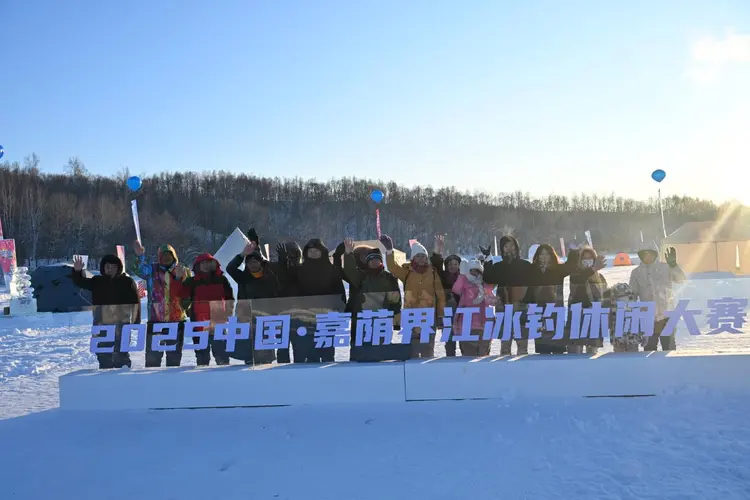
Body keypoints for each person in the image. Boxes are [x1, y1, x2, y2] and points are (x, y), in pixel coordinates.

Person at [382, 234, 446, 358]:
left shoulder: (432, 273)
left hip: (428, 316)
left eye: (423, 256)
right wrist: (389, 252)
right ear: (413, 258)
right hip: (411, 315)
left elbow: (440, 295)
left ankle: (426, 369)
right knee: (412, 349)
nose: (421, 259)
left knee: (428, 349)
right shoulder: (407, 272)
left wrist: (440, 315)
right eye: (418, 256)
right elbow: (392, 267)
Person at [71, 254, 140, 369]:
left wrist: (136, 320)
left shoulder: (127, 281)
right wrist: (77, 271)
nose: (110, 269)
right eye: (107, 267)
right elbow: (81, 282)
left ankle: (123, 373)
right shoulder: (97, 281)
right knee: (103, 351)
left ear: (118, 267)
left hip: (121, 323)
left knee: (121, 351)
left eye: (113, 267)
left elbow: (135, 301)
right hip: (102, 323)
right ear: (103, 268)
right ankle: (105, 372)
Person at [130, 241, 190, 367]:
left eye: (169, 255)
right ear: (159, 257)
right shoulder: (152, 270)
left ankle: (173, 379)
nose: (166, 257)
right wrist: (140, 256)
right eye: (163, 255)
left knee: (174, 359)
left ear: (174, 256)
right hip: (155, 320)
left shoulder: (183, 270)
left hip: (177, 320)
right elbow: (137, 269)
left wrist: (180, 278)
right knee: (152, 359)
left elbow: (187, 294)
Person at [342, 238, 403, 359]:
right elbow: (349, 271)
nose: (375, 262)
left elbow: (395, 301)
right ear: (367, 262)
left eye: (377, 260)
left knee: (380, 351)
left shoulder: (389, 278)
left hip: (381, 321)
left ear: (381, 262)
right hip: (361, 321)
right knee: (359, 352)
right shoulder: (361, 277)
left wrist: (396, 322)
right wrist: (348, 254)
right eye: (372, 260)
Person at [226, 241, 283, 365]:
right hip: (247, 318)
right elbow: (230, 268)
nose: (253, 264)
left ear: (260, 262)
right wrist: (242, 254)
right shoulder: (243, 277)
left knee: (265, 355)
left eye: (256, 261)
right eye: (250, 262)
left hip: (265, 318)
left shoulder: (270, 277)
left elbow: (276, 296)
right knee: (249, 353)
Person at [521, 245, 584, 354]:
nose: (544, 256)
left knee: (557, 345)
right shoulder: (532, 270)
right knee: (542, 346)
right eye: (542, 254)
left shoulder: (557, 269)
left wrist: (573, 252)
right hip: (539, 311)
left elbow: (570, 266)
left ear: (552, 255)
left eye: (547, 254)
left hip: (555, 310)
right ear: (537, 256)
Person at [292, 238, 347, 363]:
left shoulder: (330, 269)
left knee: (327, 351)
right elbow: (294, 291)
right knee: (310, 351)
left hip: (326, 317)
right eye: (310, 251)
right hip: (306, 317)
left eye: (316, 251)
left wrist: (341, 310)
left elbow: (339, 291)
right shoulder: (300, 270)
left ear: (322, 252)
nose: (313, 254)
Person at [178, 253, 234, 366]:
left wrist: (229, 312)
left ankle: (224, 376)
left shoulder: (221, 279)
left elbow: (230, 298)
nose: (205, 265)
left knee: (222, 355)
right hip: (199, 324)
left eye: (208, 263)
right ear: (198, 266)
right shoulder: (191, 282)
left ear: (213, 264)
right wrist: (188, 310)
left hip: (218, 322)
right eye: (202, 263)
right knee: (202, 357)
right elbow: (183, 300)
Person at [480, 235, 532, 355]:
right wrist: (488, 260)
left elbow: (532, 285)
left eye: (512, 245)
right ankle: (504, 366)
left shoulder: (525, 265)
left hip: (521, 307)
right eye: (506, 246)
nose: (509, 249)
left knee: (522, 345)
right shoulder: (499, 266)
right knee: (505, 345)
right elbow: (488, 278)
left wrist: (528, 299)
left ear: (516, 247)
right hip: (503, 307)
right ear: (502, 249)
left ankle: (524, 366)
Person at [628, 243, 686, 351]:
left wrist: (673, 265)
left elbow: (681, 279)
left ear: (655, 254)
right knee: (649, 348)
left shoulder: (666, 267)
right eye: (644, 255)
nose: (648, 257)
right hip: (648, 317)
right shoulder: (636, 272)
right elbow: (632, 294)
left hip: (666, 316)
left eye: (650, 254)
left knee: (669, 349)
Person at [567, 246, 608, 354]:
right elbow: (578, 280)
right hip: (577, 316)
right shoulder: (575, 274)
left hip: (594, 316)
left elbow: (604, 296)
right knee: (575, 350)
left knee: (592, 352)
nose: (587, 261)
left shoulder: (600, 277)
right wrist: (593, 269)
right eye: (584, 258)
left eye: (590, 258)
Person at [451, 258, 496, 356]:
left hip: (484, 325)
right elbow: (456, 289)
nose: (474, 273)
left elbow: (492, 301)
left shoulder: (484, 286)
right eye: (472, 270)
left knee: (483, 356)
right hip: (467, 325)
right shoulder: (464, 284)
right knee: (468, 355)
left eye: (477, 271)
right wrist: (462, 275)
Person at [430, 234, 462, 356]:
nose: (453, 267)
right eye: (450, 264)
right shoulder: (442, 276)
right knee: (449, 339)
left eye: (455, 264)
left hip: (461, 312)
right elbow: (436, 265)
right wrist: (438, 251)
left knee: (464, 338)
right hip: (447, 313)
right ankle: (450, 357)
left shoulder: (463, 277)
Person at [604, 282, 642, 352]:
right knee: (630, 355)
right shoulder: (634, 308)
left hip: (624, 341)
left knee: (624, 355)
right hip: (625, 340)